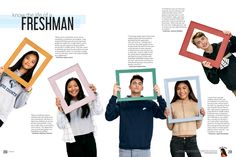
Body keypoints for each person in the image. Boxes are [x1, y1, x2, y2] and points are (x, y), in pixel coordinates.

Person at [105, 74, 167, 157]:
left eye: (140, 83)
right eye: (134, 83)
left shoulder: (149, 103)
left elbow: (164, 115)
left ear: (142, 88)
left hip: (144, 149)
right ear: (129, 87)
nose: (137, 85)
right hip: (125, 149)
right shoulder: (122, 103)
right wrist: (114, 95)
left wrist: (159, 96)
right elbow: (109, 116)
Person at [56, 77, 103, 157]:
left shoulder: (87, 100)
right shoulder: (64, 104)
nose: (73, 88)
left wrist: (94, 95)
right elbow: (60, 125)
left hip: (89, 138)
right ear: (66, 89)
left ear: (80, 87)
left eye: (75, 85)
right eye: (70, 87)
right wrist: (60, 110)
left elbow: (99, 111)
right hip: (73, 141)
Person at [165, 80, 205, 157]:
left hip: (192, 141)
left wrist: (201, 116)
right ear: (176, 91)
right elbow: (170, 127)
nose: (181, 91)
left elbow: (197, 126)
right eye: (178, 88)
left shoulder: (196, 104)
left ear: (189, 89)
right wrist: (167, 117)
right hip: (176, 141)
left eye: (184, 88)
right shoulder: (171, 106)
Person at [0, 50, 39, 127]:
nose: (28, 62)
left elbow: (17, 105)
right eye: (27, 58)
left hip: (1, 116)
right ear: (23, 58)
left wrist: (27, 92)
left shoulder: (27, 85)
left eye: (32, 62)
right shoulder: (7, 71)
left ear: (34, 65)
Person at [191, 31, 236, 96]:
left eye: (203, 38)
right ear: (198, 46)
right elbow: (215, 81)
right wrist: (211, 69)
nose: (203, 42)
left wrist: (231, 37)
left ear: (206, 38)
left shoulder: (222, 45)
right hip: (234, 87)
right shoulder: (205, 61)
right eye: (198, 42)